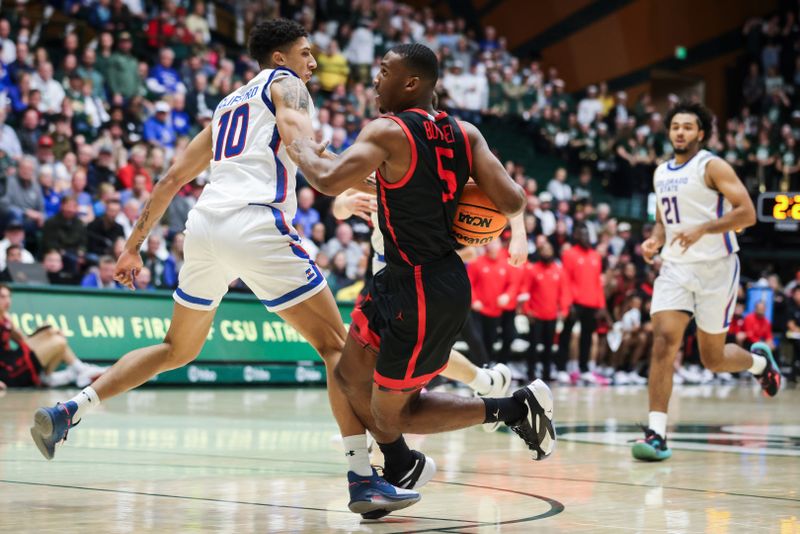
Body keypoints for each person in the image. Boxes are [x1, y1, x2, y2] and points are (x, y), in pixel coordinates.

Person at [30, 20, 420, 519]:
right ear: (280, 59)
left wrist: (134, 247)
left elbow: (174, 177)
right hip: (255, 221)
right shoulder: (289, 86)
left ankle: (70, 410)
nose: (312, 62)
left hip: (205, 228)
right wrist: (373, 180)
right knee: (336, 348)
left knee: (177, 348)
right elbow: (308, 153)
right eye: (304, 52)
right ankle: (364, 478)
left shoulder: (228, 105)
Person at [289, 44, 555, 470]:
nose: (375, 80)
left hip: (425, 289)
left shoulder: (386, 131)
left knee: (394, 415)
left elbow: (326, 181)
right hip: (399, 278)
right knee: (348, 377)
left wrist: (298, 147)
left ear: (410, 82)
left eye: (383, 71)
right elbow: (512, 199)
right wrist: (455, 199)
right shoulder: (465, 133)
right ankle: (401, 466)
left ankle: (514, 409)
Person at [632, 102, 781, 462]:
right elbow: (662, 222)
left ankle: (759, 363)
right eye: (675, 126)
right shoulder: (660, 172)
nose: (680, 132)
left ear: (701, 133)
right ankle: (657, 435)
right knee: (664, 342)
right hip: (676, 268)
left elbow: (747, 212)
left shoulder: (711, 166)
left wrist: (705, 228)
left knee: (712, 359)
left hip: (716, 266)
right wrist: (655, 241)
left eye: (688, 127)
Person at [0, 284, 105, 389]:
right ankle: (79, 371)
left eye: (9, 296)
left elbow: (23, 340)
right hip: (9, 370)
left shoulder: (6, 317)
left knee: (53, 332)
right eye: (2, 297)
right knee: (59, 342)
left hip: (14, 358)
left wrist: (47, 332)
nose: (7, 300)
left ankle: (77, 371)